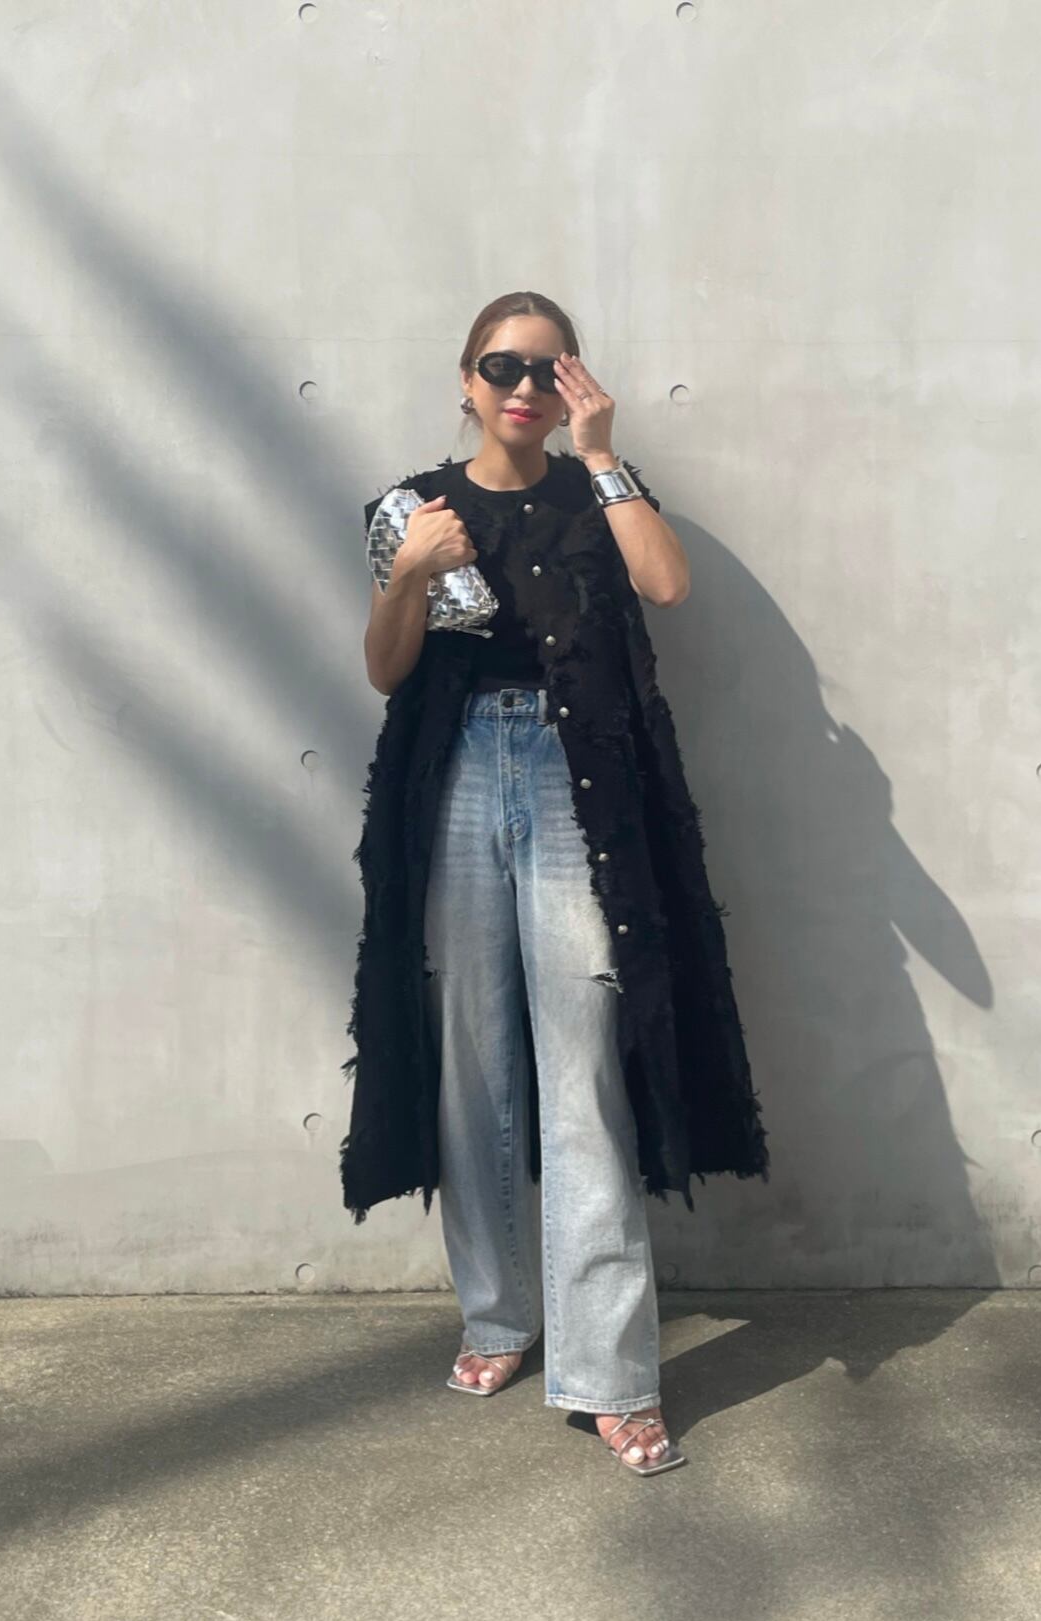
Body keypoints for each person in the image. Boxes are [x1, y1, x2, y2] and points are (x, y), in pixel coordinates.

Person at [344, 292, 770, 1475]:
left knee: (582, 1068)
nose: (523, 386)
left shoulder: (598, 489)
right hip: (458, 777)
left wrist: (603, 452)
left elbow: (668, 586)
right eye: (502, 366)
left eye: (546, 367)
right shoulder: (414, 506)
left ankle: (613, 1374)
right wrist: (408, 575)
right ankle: (496, 1317)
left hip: (576, 777)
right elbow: (386, 671)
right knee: (473, 1059)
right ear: (465, 381)